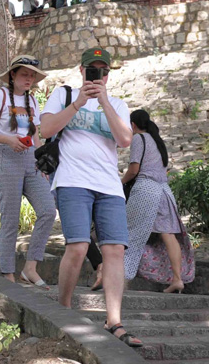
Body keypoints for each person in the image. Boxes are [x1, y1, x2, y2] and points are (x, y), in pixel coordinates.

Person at [40, 47, 141, 349]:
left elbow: (124, 140)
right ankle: (64, 310)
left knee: (114, 251)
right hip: (72, 181)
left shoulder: (118, 104)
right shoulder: (64, 95)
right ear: (81, 71)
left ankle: (114, 321)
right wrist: (79, 103)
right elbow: (45, 128)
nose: (98, 75)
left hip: (108, 185)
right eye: (92, 70)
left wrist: (104, 101)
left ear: (108, 75)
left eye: (103, 71)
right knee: (79, 245)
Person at [0, 55, 56, 287]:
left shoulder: (33, 101)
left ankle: (30, 268)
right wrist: (8, 140)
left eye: (32, 75)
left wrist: (43, 161)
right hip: (4, 155)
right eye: (24, 74)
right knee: (10, 218)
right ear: (13, 75)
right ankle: (8, 274)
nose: (29, 79)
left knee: (48, 210)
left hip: (30, 158)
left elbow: (36, 134)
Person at [123, 110, 195, 294]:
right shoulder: (157, 140)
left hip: (146, 190)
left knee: (129, 233)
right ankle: (177, 279)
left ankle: (120, 278)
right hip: (164, 191)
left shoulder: (139, 139)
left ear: (132, 125)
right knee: (168, 234)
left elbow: (134, 169)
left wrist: (119, 182)